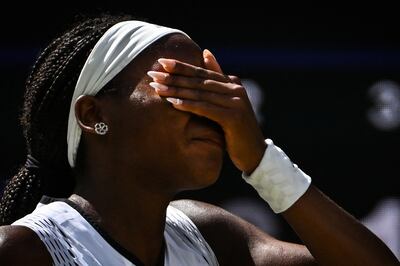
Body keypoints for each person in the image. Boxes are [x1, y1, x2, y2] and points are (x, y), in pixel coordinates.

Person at [0, 13, 398, 266]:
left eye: (216, 89)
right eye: (185, 88)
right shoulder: (22, 250)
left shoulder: (209, 234)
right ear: (94, 115)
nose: (213, 110)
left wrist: (261, 160)